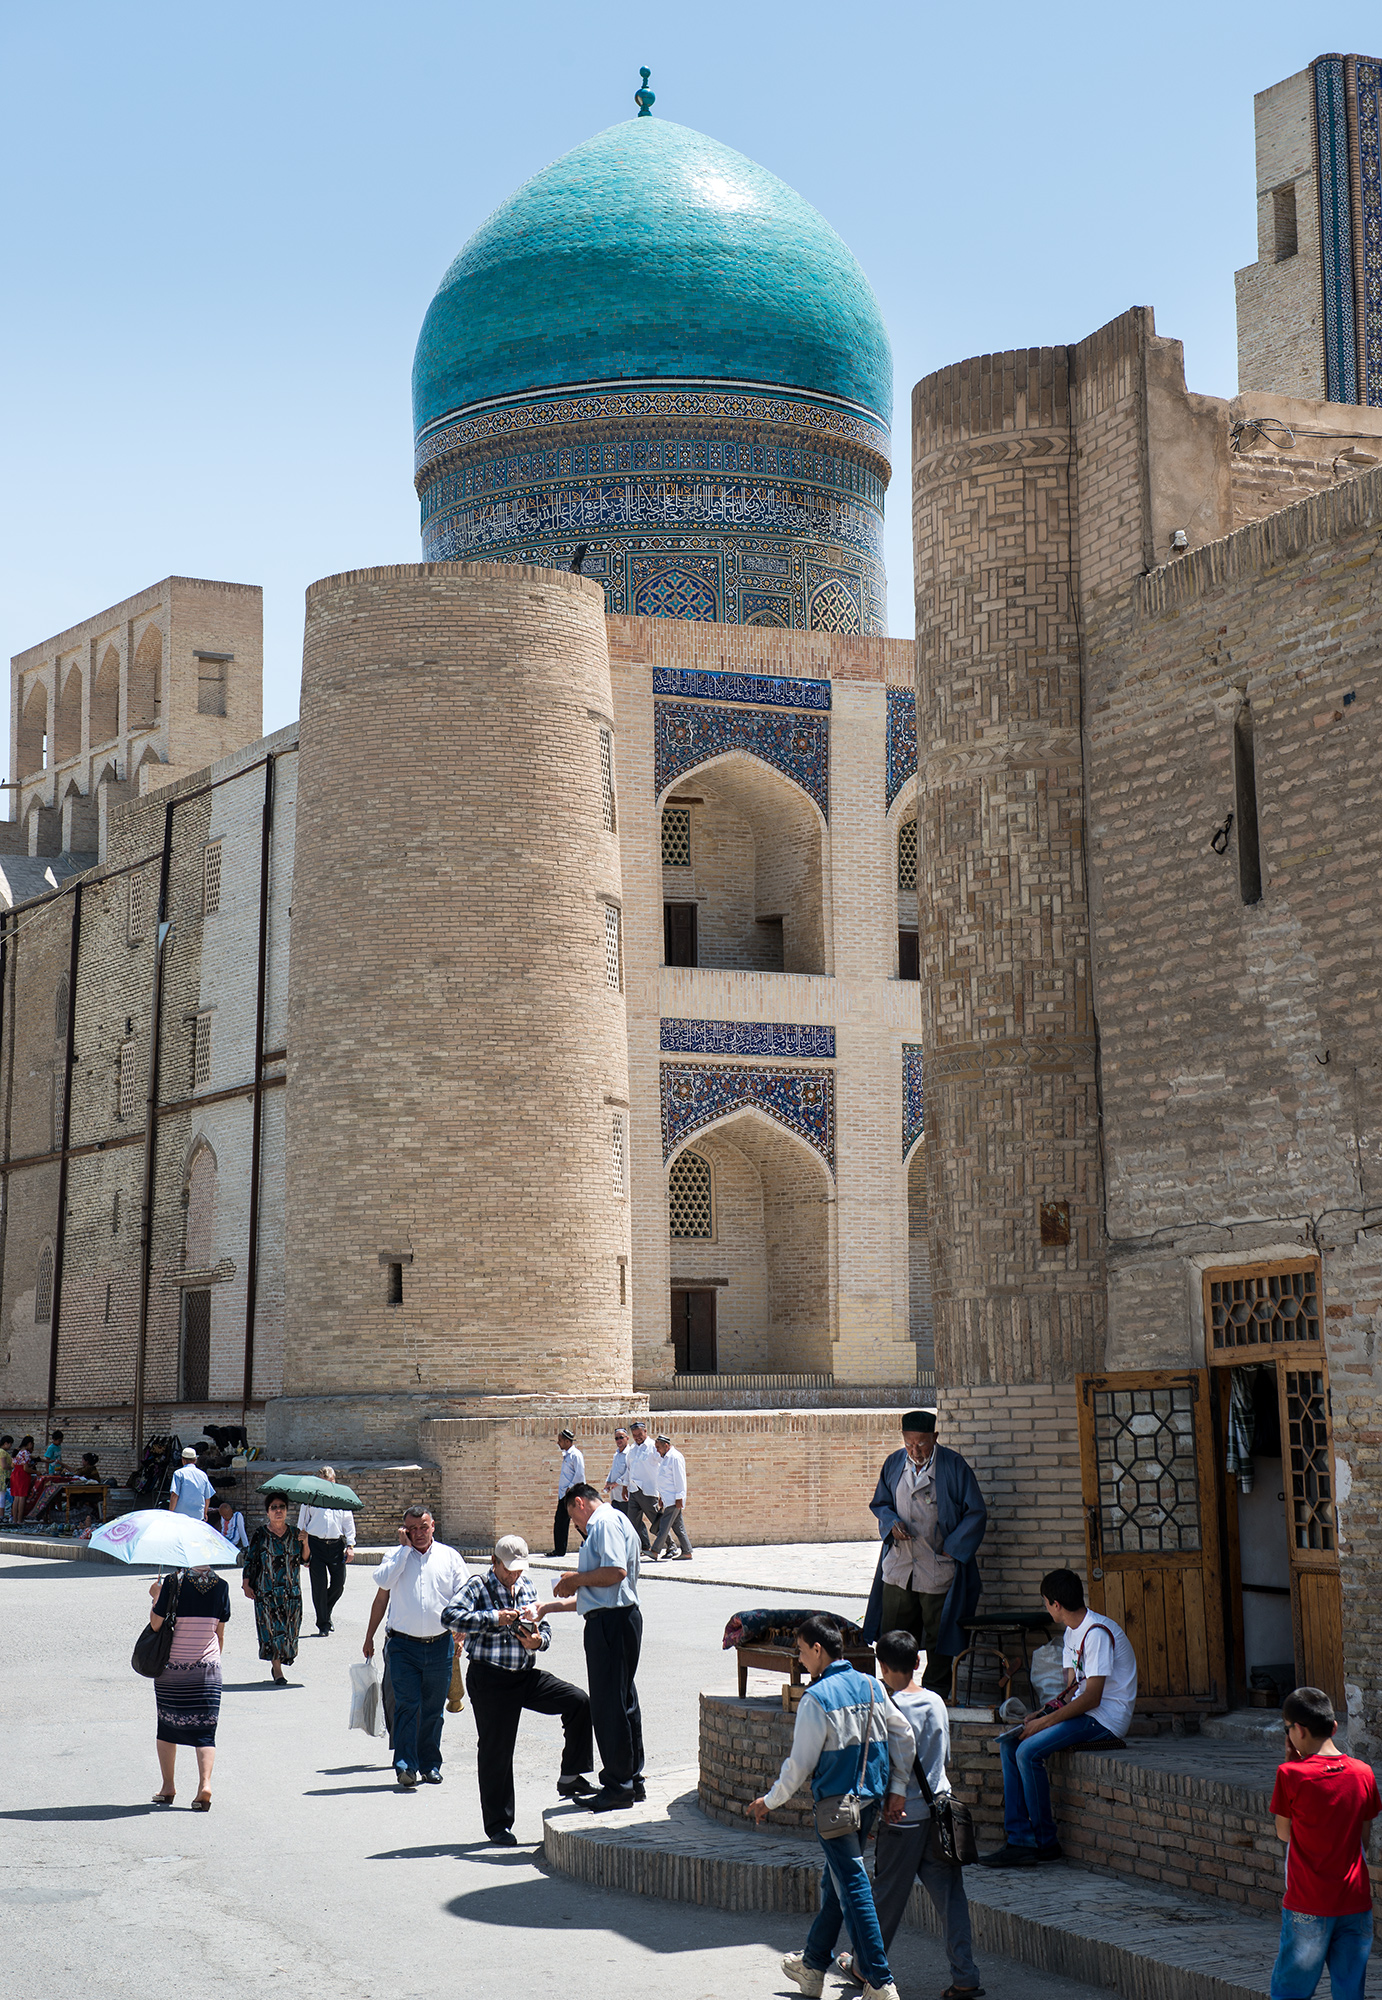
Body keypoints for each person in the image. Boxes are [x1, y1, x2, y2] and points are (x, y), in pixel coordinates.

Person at [747, 1613, 911, 2000]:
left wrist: (769, 1801)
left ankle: (880, 1981)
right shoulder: (872, 1685)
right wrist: (898, 1788)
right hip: (869, 1801)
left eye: (803, 1651)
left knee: (852, 1887)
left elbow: (798, 1766)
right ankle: (813, 1965)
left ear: (818, 1650)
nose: (800, 1659)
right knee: (836, 1883)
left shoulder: (816, 1699)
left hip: (835, 1810)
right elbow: (903, 1734)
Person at [842, 1627, 982, 1996]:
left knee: (884, 1900)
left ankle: (864, 1967)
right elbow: (944, 1757)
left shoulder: (887, 1708)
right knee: (952, 1902)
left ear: (881, 1666)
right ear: (918, 1662)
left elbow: (882, 1769)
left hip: (901, 1819)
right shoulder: (936, 1701)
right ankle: (965, 1977)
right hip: (941, 1817)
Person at [441, 1533, 595, 1845]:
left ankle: (571, 1776)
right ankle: (498, 1824)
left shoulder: (525, 1585)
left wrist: (539, 1641)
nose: (515, 1575)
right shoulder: (478, 1586)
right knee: (497, 1750)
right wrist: (493, 1618)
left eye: (519, 1569)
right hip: (490, 1678)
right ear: (494, 1562)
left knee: (578, 1701)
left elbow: (545, 1624)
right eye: (509, 1569)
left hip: (524, 1674)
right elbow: (449, 1616)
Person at [980, 1566, 1138, 1867]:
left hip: (1106, 1720)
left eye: (1045, 1602)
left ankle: (1045, 1843)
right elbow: (1071, 1690)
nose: (1046, 1607)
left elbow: (1092, 1697)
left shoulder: (1097, 1633)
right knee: (1010, 1744)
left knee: (1028, 1751)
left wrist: (1045, 1723)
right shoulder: (1071, 1632)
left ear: (1056, 1604)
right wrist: (1041, 1713)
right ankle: (1018, 1839)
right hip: (1086, 1712)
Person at [863, 1408, 987, 1701]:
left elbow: (976, 1513)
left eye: (921, 1444)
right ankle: (896, 1690)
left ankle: (936, 1692)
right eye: (909, 1444)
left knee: (938, 1634)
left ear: (935, 1437)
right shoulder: (894, 1463)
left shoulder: (954, 1467)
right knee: (893, 1631)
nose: (915, 1450)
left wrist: (954, 1547)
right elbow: (880, 1503)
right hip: (900, 1566)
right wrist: (891, 1524)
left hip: (937, 1566)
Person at [1268, 1685, 1380, 2000]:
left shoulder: (1290, 1775)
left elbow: (1284, 1833)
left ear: (1298, 1731)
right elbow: (1365, 1837)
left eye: (1287, 1729)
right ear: (1333, 1727)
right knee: (1349, 1990)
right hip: (1354, 1901)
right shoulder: (1363, 1773)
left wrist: (1292, 1762)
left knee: (1292, 1990)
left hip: (1308, 1902)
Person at [552, 1483, 644, 1811]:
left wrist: (574, 1578)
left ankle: (618, 1786)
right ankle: (631, 1779)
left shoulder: (603, 1523)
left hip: (610, 1621)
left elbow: (614, 1573)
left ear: (580, 1503)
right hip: (619, 1618)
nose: (577, 1526)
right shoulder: (617, 1520)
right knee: (623, 1701)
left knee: (608, 1705)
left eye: (573, 1518)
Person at [363, 1505, 468, 1789]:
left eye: (424, 1527)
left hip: (440, 1645)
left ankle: (430, 1764)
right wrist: (404, 1550)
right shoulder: (396, 1556)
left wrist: (462, 1631)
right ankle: (406, 1766)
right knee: (408, 1705)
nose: (419, 1533)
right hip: (402, 1646)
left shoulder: (450, 1557)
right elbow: (383, 1584)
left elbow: (464, 1596)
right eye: (413, 1529)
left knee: (433, 1709)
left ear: (433, 1525)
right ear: (405, 1531)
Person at [148, 1564, 231, 1810]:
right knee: (205, 1731)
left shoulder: (173, 1583)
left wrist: (156, 1596)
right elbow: (220, 1633)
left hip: (173, 1667)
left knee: (167, 1726)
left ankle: (168, 1787)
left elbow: (156, 1624)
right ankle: (204, 1785)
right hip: (209, 1669)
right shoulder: (222, 1586)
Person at [241, 1493, 305, 1684]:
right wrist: (246, 1583)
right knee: (271, 1630)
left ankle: (282, 1660)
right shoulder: (260, 1534)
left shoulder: (295, 1534)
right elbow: (250, 1560)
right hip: (266, 1592)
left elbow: (306, 1559)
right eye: (274, 1507)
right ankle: (277, 1670)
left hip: (291, 1592)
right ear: (268, 1512)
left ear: (287, 1511)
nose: (278, 1510)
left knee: (290, 1631)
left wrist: (307, 1541)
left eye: (282, 1507)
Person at [297, 1465, 356, 1636]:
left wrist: (350, 1545)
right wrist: (304, 1550)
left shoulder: (341, 1499)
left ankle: (325, 1611)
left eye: (330, 1482)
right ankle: (323, 1624)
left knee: (339, 1583)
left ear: (334, 1482)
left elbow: (348, 1523)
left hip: (336, 1545)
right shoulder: (309, 1499)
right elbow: (302, 1526)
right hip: (315, 1544)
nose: (327, 1486)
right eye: (323, 1483)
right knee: (319, 1586)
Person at [648, 1431, 693, 1561]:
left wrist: (680, 1497)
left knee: (664, 1526)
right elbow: (664, 1480)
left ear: (666, 1446)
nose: (657, 1450)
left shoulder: (675, 1457)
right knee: (678, 1527)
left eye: (658, 1447)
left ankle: (655, 1551)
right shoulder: (665, 1458)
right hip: (668, 1499)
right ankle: (687, 1551)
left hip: (674, 1499)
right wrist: (661, 1497)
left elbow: (680, 1479)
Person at [624, 1420, 660, 1551]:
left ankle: (670, 1545)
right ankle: (634, 1549)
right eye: (635, 1435)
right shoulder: (632, 1449)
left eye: (640, 1434)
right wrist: (625, 1486)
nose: (638, 1437)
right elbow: (629, 1469)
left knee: (656, 1522)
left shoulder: (653, 1447)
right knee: (632, 1522)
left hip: (648, 1491)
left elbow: (661, 1466)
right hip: (634, 1490)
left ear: (645, 1432)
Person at [550, 1428, 585, 1558]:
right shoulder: (567, 1455)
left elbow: (580, 1474)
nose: (558, 1443)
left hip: (572, 1494)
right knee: (560, 1521)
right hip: (564, 1495)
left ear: (566, 1441)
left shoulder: (576, 1455)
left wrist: (570, 1488)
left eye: (560, 1441)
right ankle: (559, 1549)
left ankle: (593, 1542)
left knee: (578, 1521)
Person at [602, 1427, 642, 1542]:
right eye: (616, 1438)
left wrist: (616, 1483)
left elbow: (628, 1472)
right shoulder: (617, 1454)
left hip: (625, 1494)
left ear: (627, 1438)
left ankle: (644, 1545)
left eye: (621, 1437)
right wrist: (608, 1481)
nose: (619, 1440)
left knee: (632, 1521)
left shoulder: (629, 1453)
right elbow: (613, 1470)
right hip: (615, 1495)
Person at [168, 1445, 215, 1522]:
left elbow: (174, 1495)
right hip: (198, 1517)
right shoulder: (203, 1475)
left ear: (183, 1460)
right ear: (195, 1460)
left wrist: (170, 1513)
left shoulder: (178, 1473)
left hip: (181, 1516)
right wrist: (205, 1513)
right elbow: (207, 1497)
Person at [215, 1493, 250, 1558]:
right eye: (223, 1516)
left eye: (226, 1515)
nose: (224, 1517)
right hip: (224, 1540)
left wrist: (246, 1546)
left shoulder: (237, 1516)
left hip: (232, 1542)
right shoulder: (223, 1518)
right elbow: (223, 1529)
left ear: (231, 1511)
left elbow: (242, 1531)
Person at [10, 1436, 35, 1526]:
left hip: (15, 1474)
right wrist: (36, 1471)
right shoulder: (26, 1453)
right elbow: (26, 1469)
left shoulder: (17, 1451)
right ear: (29, 1444)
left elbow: (12, 1465)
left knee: (16, 1498)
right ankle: (20, 1519)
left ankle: (14, 1519)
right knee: (22, 1498)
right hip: (22, 1476)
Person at [0, 1436, 13, 1523]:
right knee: (2, 1497)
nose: (10, 1446)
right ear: (5, 1443)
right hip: (2, 1477)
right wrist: (11, 1467)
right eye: (10, 1444)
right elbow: (4, 1465)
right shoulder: (3, 1453)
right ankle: (1, 1515)